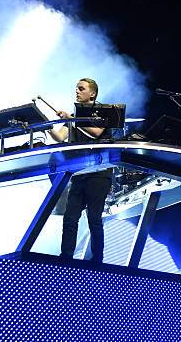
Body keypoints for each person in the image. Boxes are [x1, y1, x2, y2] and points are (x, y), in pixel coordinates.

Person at [49, 78, 112, 263]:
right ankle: (66, 257)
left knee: (94, 218)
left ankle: (97, 260)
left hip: (99, 173)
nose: (76, 91)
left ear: (92, 93)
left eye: (81, 88)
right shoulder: (75, 116)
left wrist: (71, 119)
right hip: (79, 173)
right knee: (70, 218)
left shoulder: (103, 111)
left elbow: (96, 132)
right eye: (76, 88)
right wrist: (48, 125)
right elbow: (60, 137)